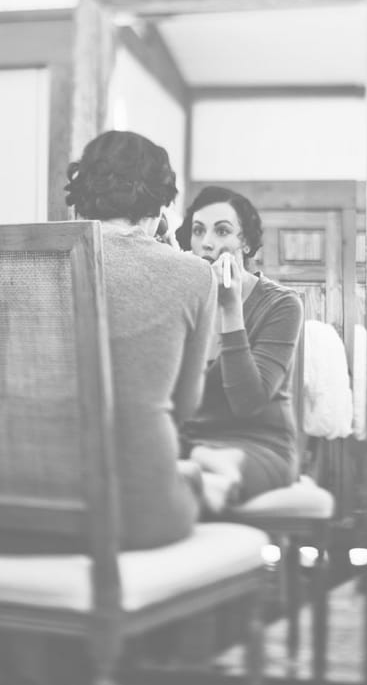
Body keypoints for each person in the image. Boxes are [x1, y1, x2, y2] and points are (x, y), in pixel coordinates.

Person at [65, 130, 217, 549]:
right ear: (160, 205)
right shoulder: (193, 275)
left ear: (81, 193)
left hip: (26, 511)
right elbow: (185, 405)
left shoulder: (26, 260)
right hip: (138, 515)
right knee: (201, 488)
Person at [175, 185, 303, 514]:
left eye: (222, 231)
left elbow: (248, 402)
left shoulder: (282, 304)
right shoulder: (183, 299)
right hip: (190, 442)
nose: (206, 243)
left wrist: (230, 309)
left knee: (224, 463)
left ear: (245, 243)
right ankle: (204, 476)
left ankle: (213, 477)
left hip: (258, 445)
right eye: (198, 231)